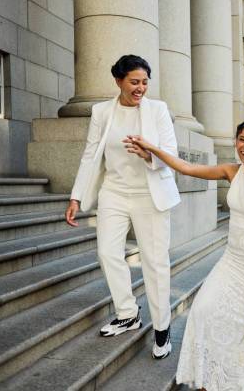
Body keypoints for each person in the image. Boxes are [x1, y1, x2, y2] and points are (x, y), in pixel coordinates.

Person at [124, 119, 244, 390]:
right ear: (236, 142)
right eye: (242, 139)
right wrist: (152, 148)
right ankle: (209, 379)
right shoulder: (231, 171)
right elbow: (188, 167)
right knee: (203, 310)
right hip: (231, 260)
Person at [65, 55, 180, 360]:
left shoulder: (158, 110)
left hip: (149, 193)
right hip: (114, 191)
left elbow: (171, 152)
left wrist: (148, 154)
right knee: (107, 252)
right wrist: (77, 197)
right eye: (134, 82)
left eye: (144, 82)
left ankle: (162, 328)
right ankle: (128, 313)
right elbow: (91, 155)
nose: (141, 87)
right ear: (118, 81)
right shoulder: (102, 111)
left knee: (155, 262)